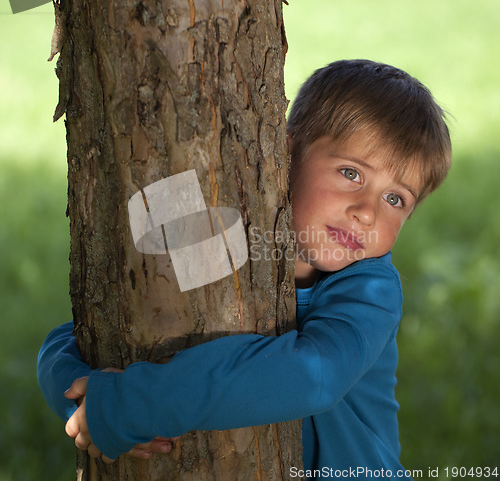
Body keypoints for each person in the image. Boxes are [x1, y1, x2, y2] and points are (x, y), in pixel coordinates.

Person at [37, 59, 452, 478]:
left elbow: (316, 375)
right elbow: (72, 335)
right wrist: (85, 400)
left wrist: (139, 404)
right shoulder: (237, 238)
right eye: (351, 173)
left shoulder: (371, 290)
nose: (367, 212)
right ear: (285, 152)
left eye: (395, 199)